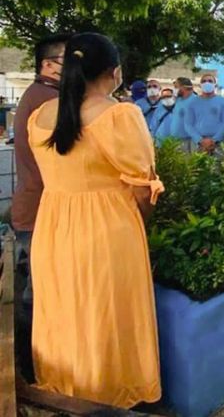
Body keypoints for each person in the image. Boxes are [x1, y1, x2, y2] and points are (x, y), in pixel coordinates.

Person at [28, 32, 162, 407]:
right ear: (114, 72)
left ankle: (66, 391)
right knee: (106, 316)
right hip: (106, 231)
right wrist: (141, 219)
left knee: (64, 309)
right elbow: (142, 186)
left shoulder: (41, 116)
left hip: (53, 227)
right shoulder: (119, 114)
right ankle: (107, 395)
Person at [11, 32, 69, 376]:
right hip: (40, 211)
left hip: (33, 209)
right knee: (36, 294)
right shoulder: (48, 101)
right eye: (67, 60)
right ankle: (34, 368)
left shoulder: (41, 95)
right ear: (47, 65)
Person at [184, 74, 224, 154]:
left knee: (219, 166)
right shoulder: (192, 103)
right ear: (200, 85)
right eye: (204, 81)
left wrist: (214, 140)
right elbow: (188, 124)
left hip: (219, 143)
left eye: (210, 81)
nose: (207, 83)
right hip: (198, 144)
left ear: (215, 85)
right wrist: (200, 140)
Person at [170, 77, 196, 151]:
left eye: (176, 87)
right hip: (175, 140)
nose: (174, 89)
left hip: (188, 141)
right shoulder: (178, 100)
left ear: (184, 87)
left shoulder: (195, 101)